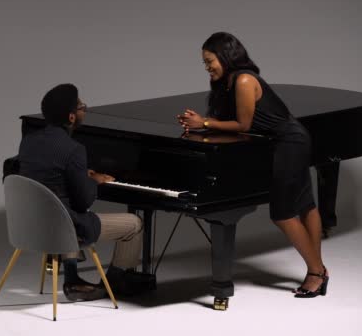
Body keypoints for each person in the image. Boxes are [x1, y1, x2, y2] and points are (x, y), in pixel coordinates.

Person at [177, 32, 329, 298]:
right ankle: (319, 270)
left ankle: (316, 272)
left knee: (283, 212)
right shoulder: (228, 83)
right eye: (204, 63)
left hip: (289, 141)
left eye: (209, 60)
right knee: (305, 204)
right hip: (284, 140)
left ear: (225, 56)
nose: (207, 67)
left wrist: (204, 123)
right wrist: (202, 124)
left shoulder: (245, 80)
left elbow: (243, 126)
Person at [17, 83, 151, 301]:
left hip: (33, 226)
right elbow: (83, 201)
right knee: (134, 225)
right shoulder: (74, 149)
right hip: (64, 229)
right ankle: (113, 283)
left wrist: (78, 175)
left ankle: (72, 278)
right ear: (71, 117)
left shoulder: (29, 142)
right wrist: (94, 181)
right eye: (81, 106)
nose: (84, 109)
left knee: (63, 208)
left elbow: (50, 179)